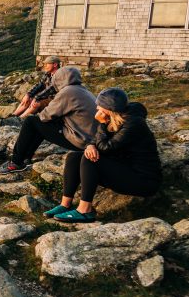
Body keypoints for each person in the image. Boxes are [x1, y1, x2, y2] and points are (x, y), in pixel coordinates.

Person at [47, 88, 162, 223]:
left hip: (143, 180)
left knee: (90, 159)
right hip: (125, 168)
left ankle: (85, 210)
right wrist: (90, 145)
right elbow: (96, 142)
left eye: (100, 106)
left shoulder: (133, 124)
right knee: (74, 156)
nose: (97, 108)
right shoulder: (117, 118)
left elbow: (106, 148)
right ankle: (65, 204)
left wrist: (102, 124)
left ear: (109, 109)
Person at [0, 66, 98, 173]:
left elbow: (45, 116)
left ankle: (16, 162)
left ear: (60, 79)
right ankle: (26, 159)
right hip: (89, 139)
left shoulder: (68, 92)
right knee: (41, 125)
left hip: (80, 140)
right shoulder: (82, 90)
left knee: (31, 122)